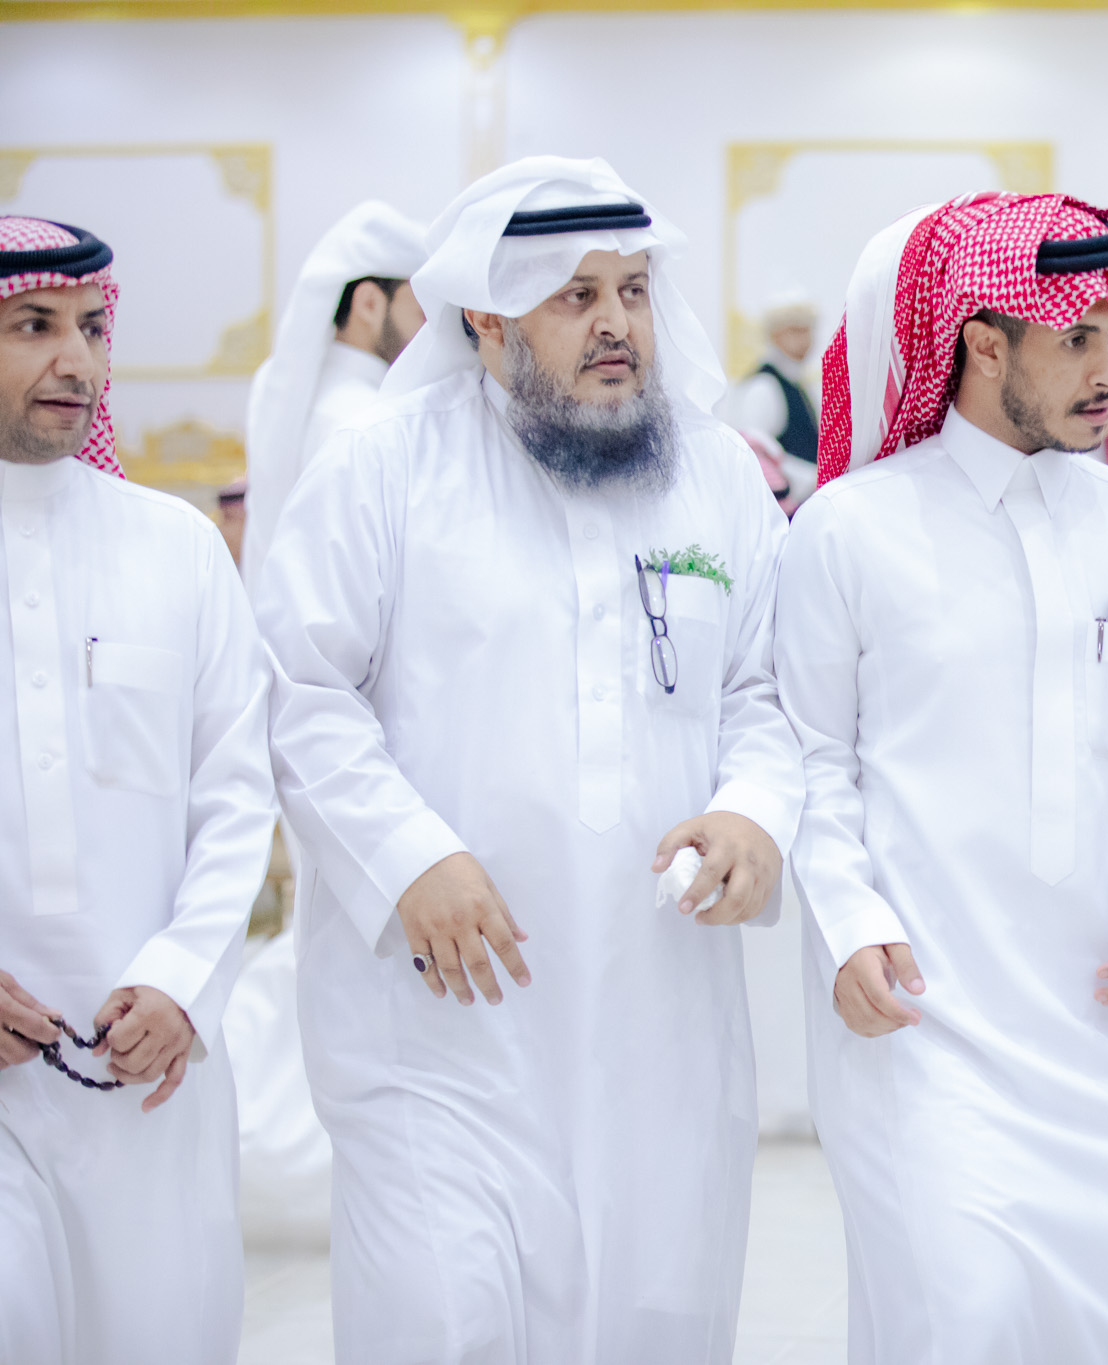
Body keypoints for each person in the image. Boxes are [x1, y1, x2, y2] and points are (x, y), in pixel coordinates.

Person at [254, 157, 804, 1365]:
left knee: (652, 1327)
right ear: (489, 320)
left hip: (658, 1017)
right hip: (441, 1027)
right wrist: (409, 856)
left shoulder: (714, 473)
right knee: (445, 1324)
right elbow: (297, 686)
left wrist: (754, 810)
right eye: (575, 295)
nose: (616, 324)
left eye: (633, 290)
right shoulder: (386, 466)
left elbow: (766, 688)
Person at [777, 191, 1108, 1364]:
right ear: (983, 344)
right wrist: (847, 928)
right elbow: (811, 758)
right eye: (1077, 339)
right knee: (963, 1319)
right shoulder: (849, 530)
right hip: (929, 1025)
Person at [0, 217, 274, 1363]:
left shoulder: (174, 548)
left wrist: (181, 981)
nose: (78, 360)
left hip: (148, 1065)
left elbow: (236, 792)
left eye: (93, 328)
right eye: (34, 326)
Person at [228, 200, 427, 1242]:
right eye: (417, 303)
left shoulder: (333, 410)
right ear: (369, 307)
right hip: (364, 743)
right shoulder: (361, 426)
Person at [242, 201, 426, 584]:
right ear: (369, 304)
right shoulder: (368, 417)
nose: (430, 335)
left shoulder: (279, 386)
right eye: (421, 315)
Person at [726, 290, 820, 501]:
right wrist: (814, 479)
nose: (805, 338)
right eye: (795, 330)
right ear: (775, 333)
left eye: (808, 329)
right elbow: (755, 455)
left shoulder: (800, 384)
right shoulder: (763, 386)